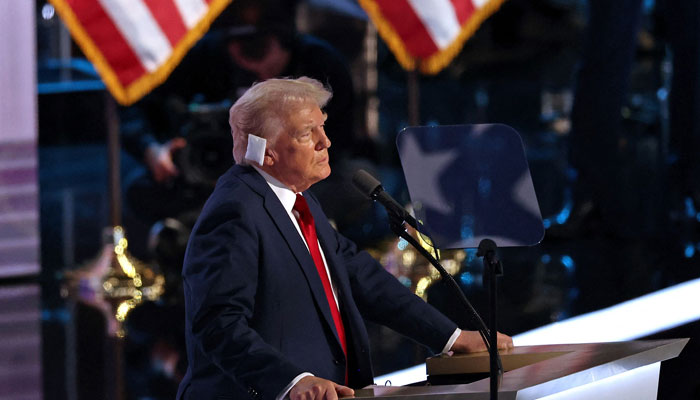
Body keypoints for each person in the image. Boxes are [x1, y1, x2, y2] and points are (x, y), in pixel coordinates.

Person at [176, 77, 513, 400]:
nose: (326, 142)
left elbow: (360, 277)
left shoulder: (299, 200)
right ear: (266, 153)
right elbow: (217, 324)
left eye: (322, 126)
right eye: (308, 133)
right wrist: (292, 382)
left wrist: (450, 337)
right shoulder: (236, 212)